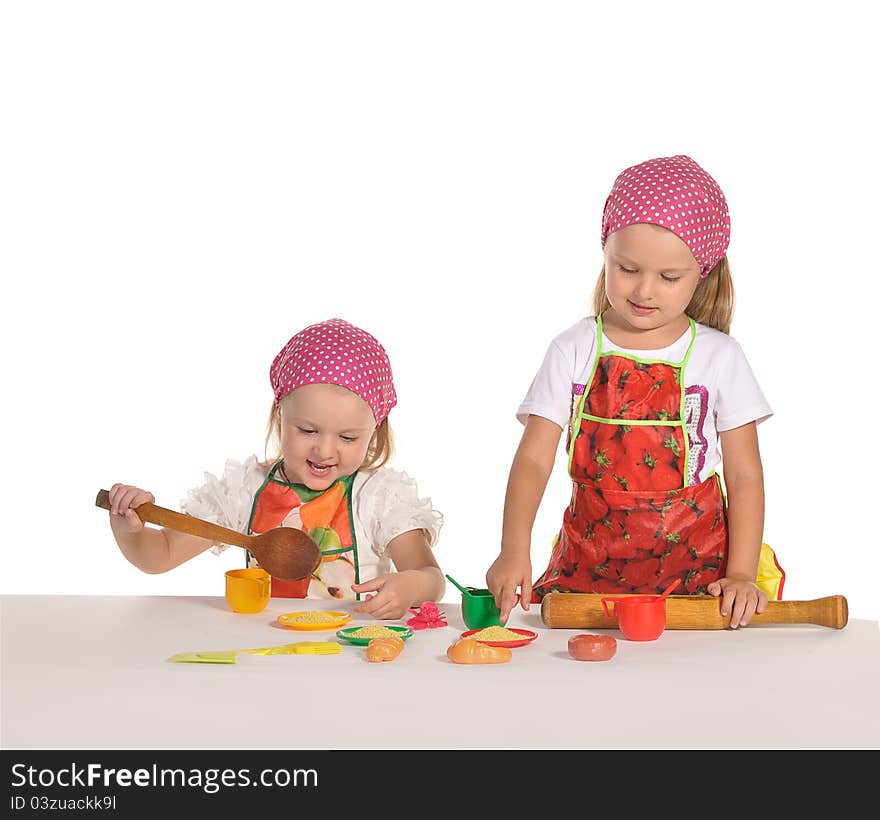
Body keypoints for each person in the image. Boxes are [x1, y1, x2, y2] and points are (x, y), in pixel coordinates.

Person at [486, 155, 784, 629]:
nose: (644, 290)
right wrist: (513, 549)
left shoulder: (720, 357)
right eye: (626, 268)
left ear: (702, 272)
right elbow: (534, 459)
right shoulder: (574, 348)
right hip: (589, 571)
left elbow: (745, 475)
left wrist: (742, 574)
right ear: (604, 252)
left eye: (669, 278)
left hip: (698, 580)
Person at [106, 317, 445, 620]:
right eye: (308, 430)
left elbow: (430, 576)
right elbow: (159, 556)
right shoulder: (246, 491)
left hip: (352, 656)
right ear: (279, 415)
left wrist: (410, 586)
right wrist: (130, 529)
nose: (324, 450)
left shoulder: (376, 497)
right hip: (265, 654)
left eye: (347, 437)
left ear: (374, 432)